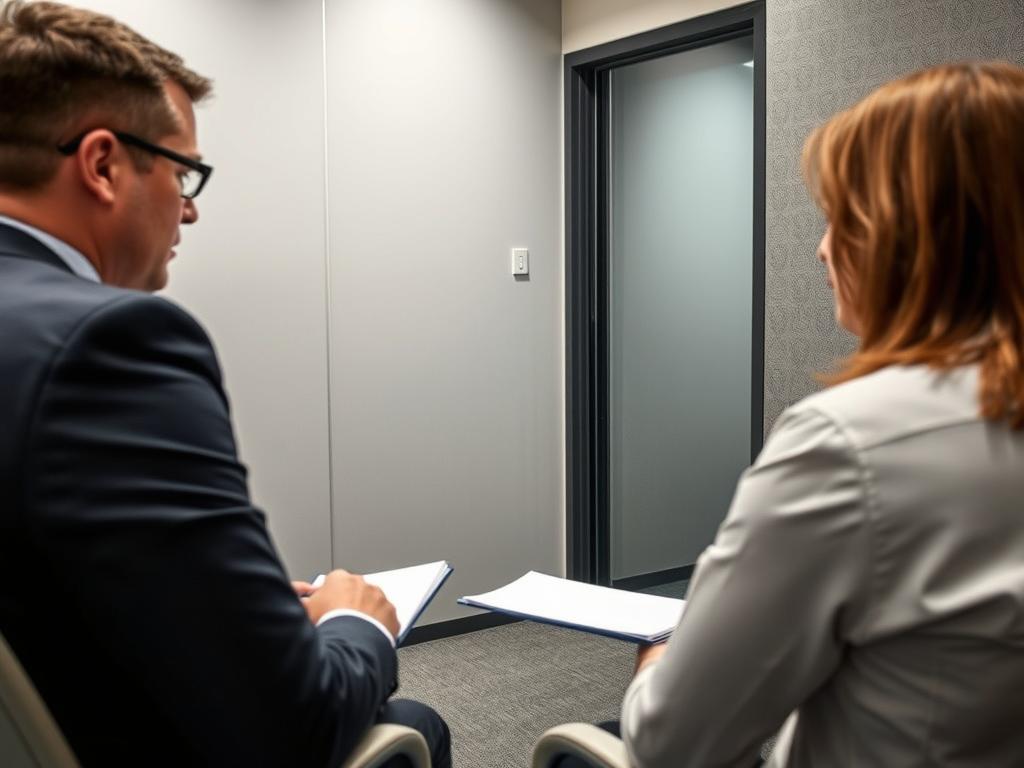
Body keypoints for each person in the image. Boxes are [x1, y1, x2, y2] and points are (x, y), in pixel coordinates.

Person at [0, 3, 449, 766]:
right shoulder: (106, 345)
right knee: (413, 723)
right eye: (182, 173)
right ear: (104, 165)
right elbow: (290, 730)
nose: (191, 208)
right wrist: (357, 621)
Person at [558, 60, 1024, 767]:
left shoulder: (851, 442)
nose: (822, 248)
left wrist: (660, 658)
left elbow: (673, 741)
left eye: (842, 219)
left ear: (910, 238)